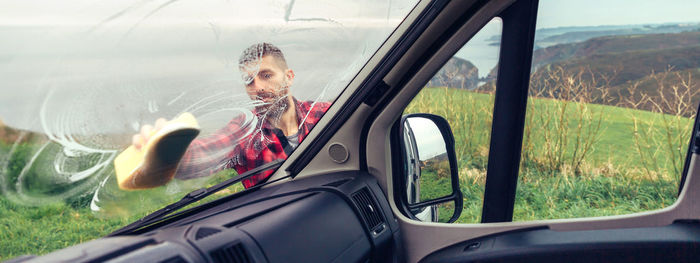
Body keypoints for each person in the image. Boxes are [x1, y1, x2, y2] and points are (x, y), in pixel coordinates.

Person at [132, 43, 330, 188]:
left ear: (289, 77)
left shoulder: (324, 113)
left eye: (266, 75)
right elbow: (201, 156)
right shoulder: (245, 131)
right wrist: (166, 150)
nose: (258, 87)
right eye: (249, 80)